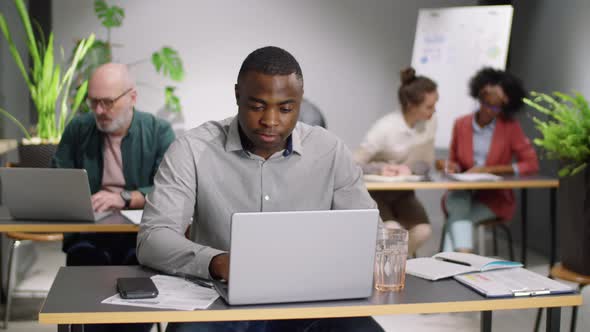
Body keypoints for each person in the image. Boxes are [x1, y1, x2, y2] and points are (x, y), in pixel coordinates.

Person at [137, 46, 384, 332]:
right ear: (237, 95)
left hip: (310, 304)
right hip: (219, 303)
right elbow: (153, 238)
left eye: (286, 108)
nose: (270, 120)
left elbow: (370, 237)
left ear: (300, 102)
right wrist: (217, 262)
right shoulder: (192, 149)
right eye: (257, 106)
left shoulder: (330, 151)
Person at [52, 63, 175, 332]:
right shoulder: (79, 128)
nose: (98, 111)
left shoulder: (157, 131)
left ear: (132, 97)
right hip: (88, 234)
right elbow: (58, 178)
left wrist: (125, 197)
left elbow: (169, 190)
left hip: (139, 237)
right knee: (84, 286)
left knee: (130, 306)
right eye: (93, 102)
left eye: (107, 102)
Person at [436, 67, 539, 252]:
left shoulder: (510, 128)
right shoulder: (461, 124)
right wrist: (450, 166)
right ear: (480, 95)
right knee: (458, 206)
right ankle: (462, 264)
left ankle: (453, 266)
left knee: (457, 220)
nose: (492, 110)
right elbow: (455, 162)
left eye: (498, 107)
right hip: (462, 192)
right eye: (488, 103)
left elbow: (531, 164)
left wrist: (490, 170)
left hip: (494, 198)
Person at [354, 67, 438, 256]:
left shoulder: (430, 124)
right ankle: (388, 271)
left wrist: (409, 169)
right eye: (429, 107)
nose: (433, 111)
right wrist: (381, 168)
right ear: (411, 105)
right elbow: (353, 165)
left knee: (423, 230)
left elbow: (426, 163)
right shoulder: (385, 128)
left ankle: (397, 265)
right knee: (391, 230)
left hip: (403, 194)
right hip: (376, 195)